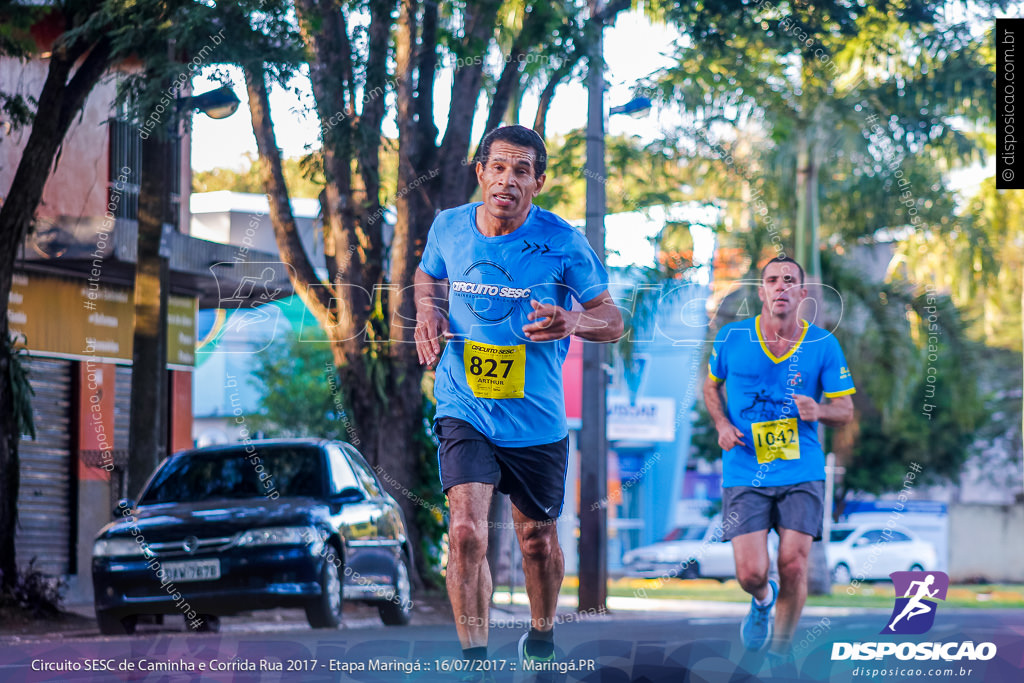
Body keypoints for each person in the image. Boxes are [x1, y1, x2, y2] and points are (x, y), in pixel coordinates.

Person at [414, 125, 623, 673]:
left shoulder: (563, 241)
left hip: (536, 418)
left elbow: (613, 319)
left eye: (522, 171)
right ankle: (475, 660)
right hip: (466, 405)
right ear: (480, 172)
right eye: (498, 167)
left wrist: (572, 319)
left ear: (539, 182)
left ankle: (542, 630)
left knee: (536, 539)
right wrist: (430, 309)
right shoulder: (449, 227)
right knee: (464, 533)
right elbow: (426, 275)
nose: (507, 180)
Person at [702, 255, 855, 667]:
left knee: (793, 561)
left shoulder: (823, 344)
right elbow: (710, 388)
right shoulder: (733, 337)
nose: (781, 286)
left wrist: (819, 411)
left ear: (802, 294)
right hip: (743, 469)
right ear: (762, 291)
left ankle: (780, 654)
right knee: (751, 573)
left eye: (789, 280)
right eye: (772, 280)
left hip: (800, 467)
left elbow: (845, 410)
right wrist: (720, 423)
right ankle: (762, 602)